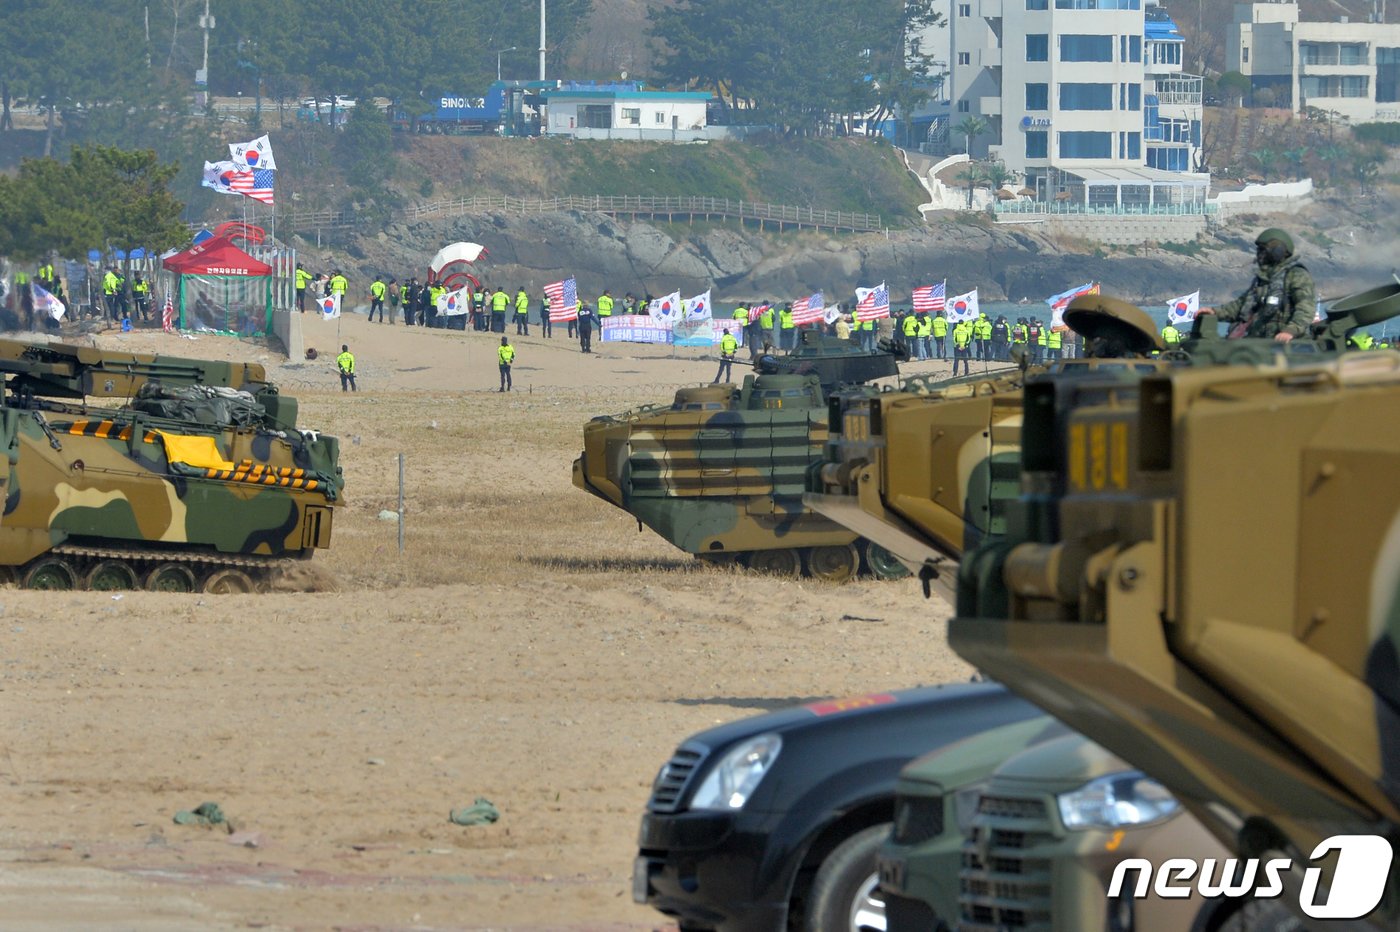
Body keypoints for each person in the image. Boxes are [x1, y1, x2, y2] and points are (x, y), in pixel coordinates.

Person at [1197, 228, 1315, 342]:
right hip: (1260, 342)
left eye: (1263, 250)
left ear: (1278, 251)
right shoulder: (1262, 279)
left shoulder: (1296, 275)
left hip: (1286, 344)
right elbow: (1241, 306)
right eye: (1259, 250)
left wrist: (1290, 331)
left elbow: (1305, 309)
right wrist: (1215, 312)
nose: (1259, 254)